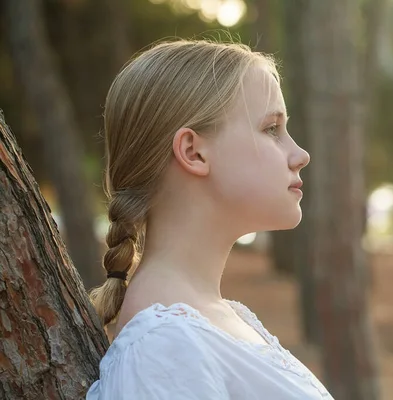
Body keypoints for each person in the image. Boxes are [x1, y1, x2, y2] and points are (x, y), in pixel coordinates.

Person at [86, 39, 332, 399]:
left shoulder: (213, 320)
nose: (300, 154)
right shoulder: (165, 348)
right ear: (193, 152)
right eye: (271, 129)